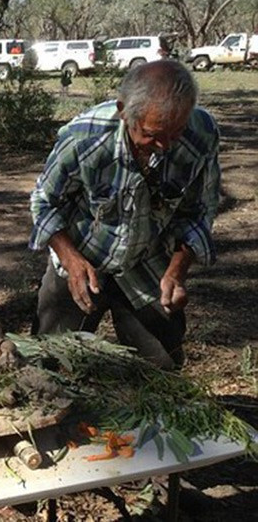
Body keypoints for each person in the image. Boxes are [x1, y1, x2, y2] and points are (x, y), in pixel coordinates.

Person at [29, 59, 220, 369]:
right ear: (123, 111)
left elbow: (200, 211)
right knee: (50, 365)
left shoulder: (202, 133)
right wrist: (71, 260)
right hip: (84, 257)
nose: (165, 146)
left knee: (161, 372)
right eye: (152, 135)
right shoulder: (85, 138)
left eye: (176, 133)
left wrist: (177, 271)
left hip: (149, 261)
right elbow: (43, 202)